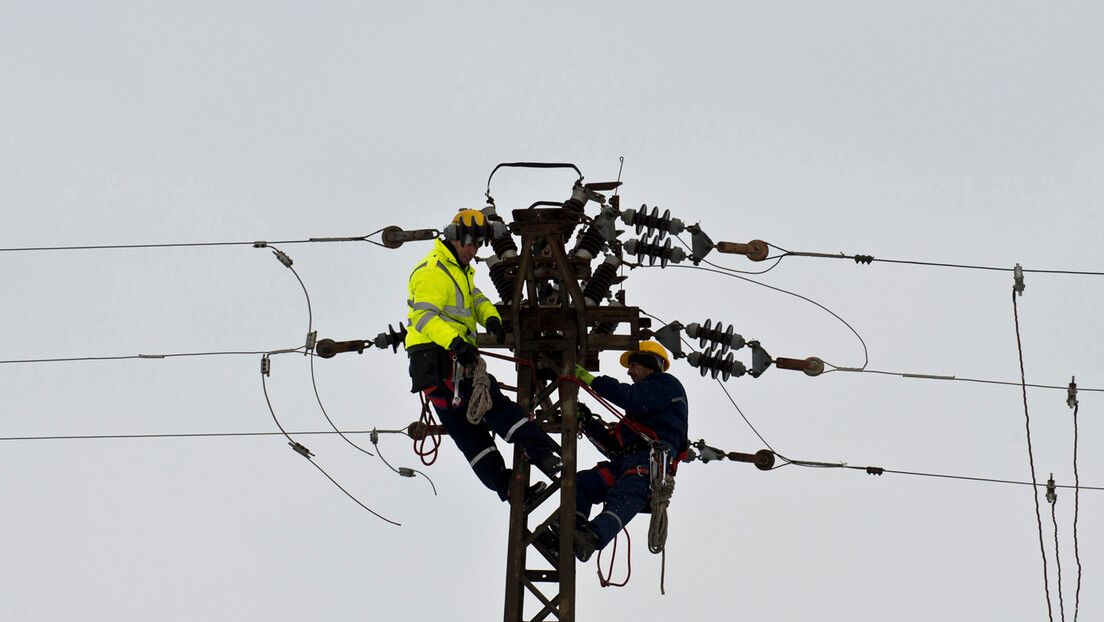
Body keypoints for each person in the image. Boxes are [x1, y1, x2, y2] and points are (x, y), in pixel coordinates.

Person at [405, 209, 562, 502]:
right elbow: (425, 317)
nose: (473, 250)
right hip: (444, 361)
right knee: (495, 405)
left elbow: (475, 299)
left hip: (433, 371)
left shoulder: (457, 270)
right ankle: (546, 456)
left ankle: (510, 489)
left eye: (478, 245)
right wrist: (456, 343)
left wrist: (490, 318)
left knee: (470, 436)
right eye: (469, 243)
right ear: (454, 237)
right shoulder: (433, 271)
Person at [569, 341, 688, 561]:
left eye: (633, 365)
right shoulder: (639, 415)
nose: (629, 371)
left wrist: (592, 381)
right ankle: (567, 528)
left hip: (650, 462)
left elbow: (631, 397)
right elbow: (616, 448)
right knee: (583, 483)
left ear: (649, 363)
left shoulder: (666, 385)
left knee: (626, 495)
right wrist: (587, 423)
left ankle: (592, 536)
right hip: (629, 461)